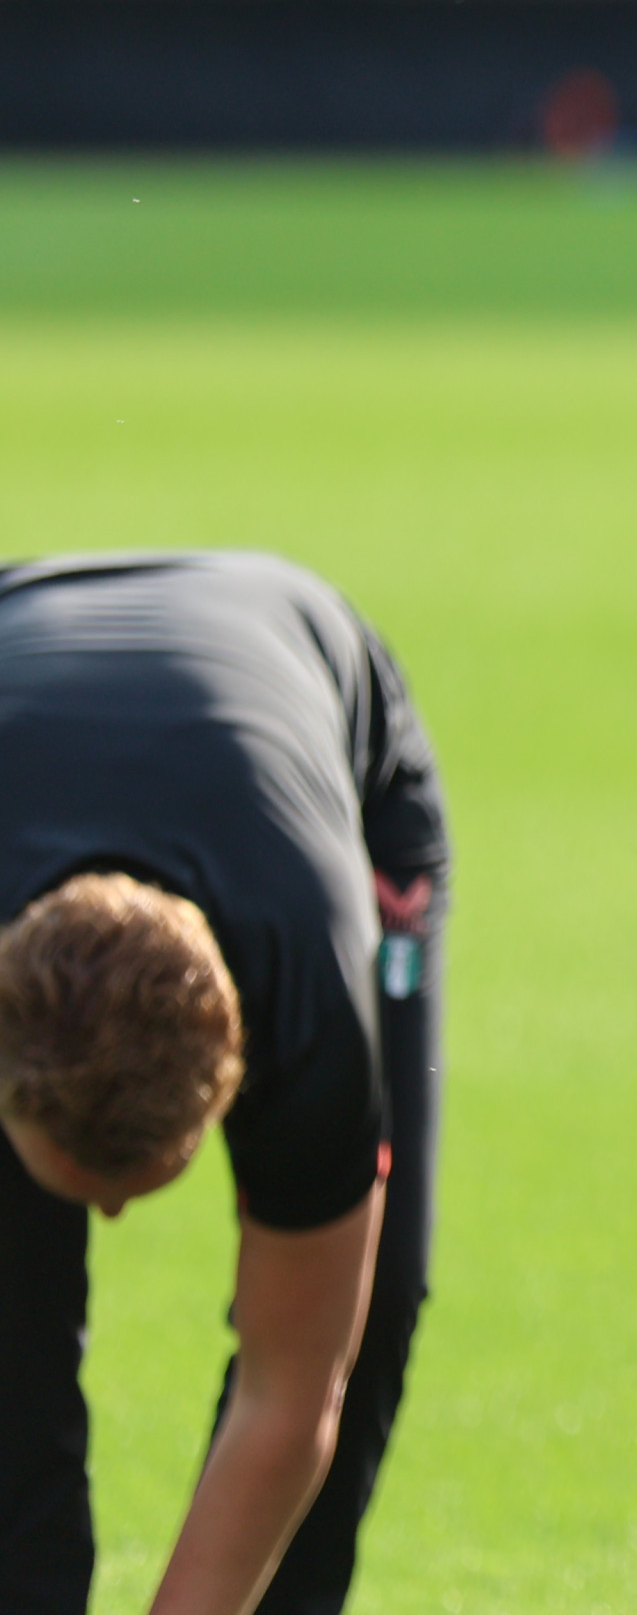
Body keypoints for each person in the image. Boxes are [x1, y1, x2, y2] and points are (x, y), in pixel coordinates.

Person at [0, 552, 446, 1615]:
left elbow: (291, 1394)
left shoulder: (311, 1001)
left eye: (133, 1181)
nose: (108, 1213)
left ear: (233, 1083)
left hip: (316, 701)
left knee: (367, 1303)